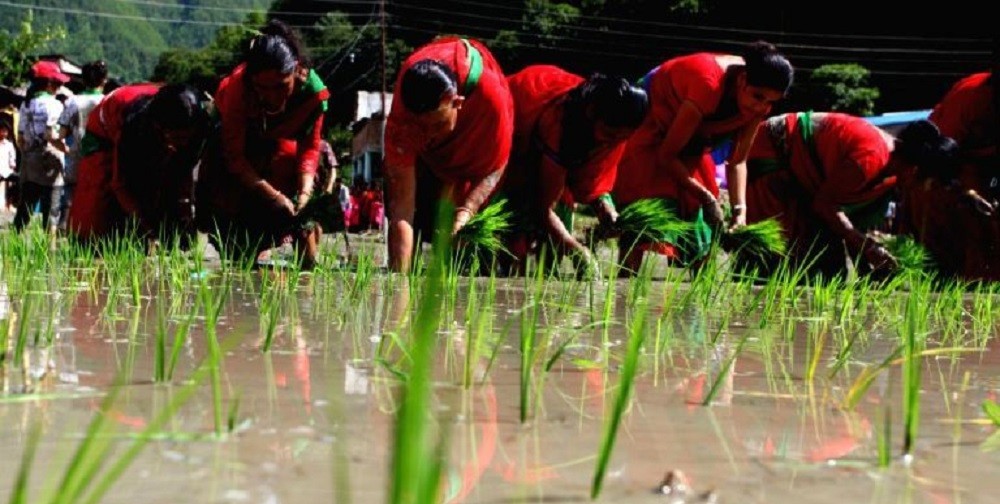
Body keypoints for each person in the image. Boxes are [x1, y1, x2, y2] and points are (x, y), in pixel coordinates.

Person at [611, 41, 793, 274]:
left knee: (700, 223)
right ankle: (625, 282)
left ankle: (695, 303)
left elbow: (738, 161)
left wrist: (740, 213)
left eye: (770, 102)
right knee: (645, 210)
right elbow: (667, 155)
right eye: (758, 97)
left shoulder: (759, 105)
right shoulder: (707, 85)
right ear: (742, 80)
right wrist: (707, 198)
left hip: (691, 140)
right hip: (653, 118)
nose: (762, 107)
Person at [195, 20, 329, 269]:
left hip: (280, 147)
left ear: (296, 70)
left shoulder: (312, 92)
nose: (272, 96)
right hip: (238, 155)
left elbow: (310, 148)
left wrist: (304, 192)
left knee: (303, 204)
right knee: (238, 252)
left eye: (281, 86)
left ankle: (309, 266)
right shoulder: (237, 89)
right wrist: (274, 196)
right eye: (262, 88)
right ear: (251, 80)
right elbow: (234, 157)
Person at [744, 111, 936, 276]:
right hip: (773, 150)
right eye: (921, 182)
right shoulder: (871, 159)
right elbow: (825, 205)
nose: (916, 189)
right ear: (913, 169)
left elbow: (846, 221)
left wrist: (865, 263)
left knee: (827, 266)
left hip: (806, 177)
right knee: (773, 258)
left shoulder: (887, 178)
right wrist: (866, 246)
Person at [501, 65, 649, 273]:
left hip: (553, 154)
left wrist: (606, 209)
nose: (613, 143)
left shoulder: (613, 134)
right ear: (591, 114)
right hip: (517, 136)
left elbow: (591, 180)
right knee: (514, 229)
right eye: (609, 134)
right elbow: (543, 207)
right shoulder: (560, 124)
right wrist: (576, 248)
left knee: (553, 251)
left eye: (622, 138)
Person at [384, 36, 514, 272]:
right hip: (427, 169)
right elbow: (402, 210)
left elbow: (497, 166)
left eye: (436, 126)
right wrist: (397, 285)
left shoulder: (489, 98)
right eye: (420, 128)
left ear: (458, 103)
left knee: (465, 260)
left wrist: (466, 211)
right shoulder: (404, 113)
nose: (428, 136)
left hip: (471, 171)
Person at [896, 40, 1000, 281]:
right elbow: (938, 159)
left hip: (981, 176)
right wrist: (970, 194)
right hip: (940, 173)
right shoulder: (971, 98)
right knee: (948, 255)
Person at [66, 83, 212, 246]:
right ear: (160, 129)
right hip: (104, 133)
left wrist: (185, 217)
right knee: (96, 219)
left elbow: (183, 173)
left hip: (150, 116)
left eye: (186, 138)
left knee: (164, 195)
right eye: (175, 138)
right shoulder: (135, 128)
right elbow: (120, 184)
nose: (181, 144)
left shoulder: (200, 125)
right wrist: (147, 230)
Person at [14, 60, 69, 233]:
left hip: (30, 161)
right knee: (51, 209)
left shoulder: (26, 104)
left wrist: (27, 155)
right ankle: (49, 250)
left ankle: (14, 243)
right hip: (49, 162)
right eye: (58, 83)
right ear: (49, 84)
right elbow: (51, 135)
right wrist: (68, 151)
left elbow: (21, 138)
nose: (59, 87)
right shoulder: (55, 105)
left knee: (25, 206)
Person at [57, 60, 109, 231]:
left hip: (76, 157)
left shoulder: (72, 102)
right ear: (104, 80)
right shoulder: (107, 101)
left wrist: (68, 150)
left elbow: (61, 135)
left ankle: (63, 232)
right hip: (102, 159)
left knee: (70, 199)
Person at [0, 115, 16, 212]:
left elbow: (12, 159)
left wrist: (12, 166)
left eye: (6, 131)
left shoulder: (9, 145)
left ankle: (9, 204)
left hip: (7, 171)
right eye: (2, 130)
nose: (4, 133)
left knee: (12, 183)